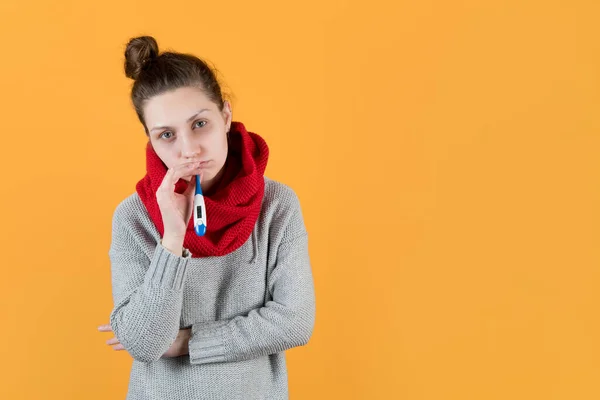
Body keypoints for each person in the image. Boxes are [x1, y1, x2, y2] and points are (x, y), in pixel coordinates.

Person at [97, 35, 316, 400]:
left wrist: (188, 342)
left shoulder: (277, 205)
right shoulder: (133, 217)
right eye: (167, 135)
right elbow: (144, 343)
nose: (189, 149)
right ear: (151, 141)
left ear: (225, 116)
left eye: (199, 124)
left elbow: (294, 321)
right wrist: (171, 239)